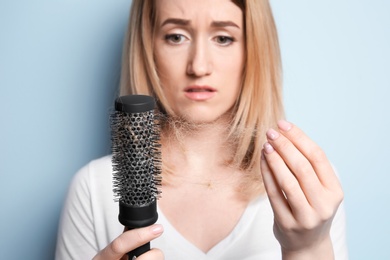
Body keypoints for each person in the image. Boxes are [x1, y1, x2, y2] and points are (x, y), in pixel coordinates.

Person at [55, 0, 348, 259]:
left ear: (254, 49)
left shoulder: (308, 191)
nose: (199, 66)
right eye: (176, 36)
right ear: (148, 48)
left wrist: (307, 249)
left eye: (223, 38)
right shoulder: (93, 190)